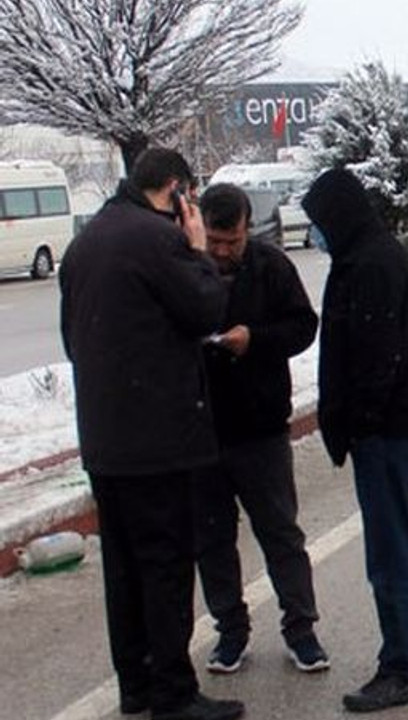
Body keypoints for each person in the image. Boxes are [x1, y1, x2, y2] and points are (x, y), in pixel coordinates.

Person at [59, 149, 243, 720]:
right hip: (158, 438)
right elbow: (208, 307)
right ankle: (173, 692)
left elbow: (74, 339)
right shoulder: (157, 239)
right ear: (173, 191)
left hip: (105, 437)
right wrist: (195, 252)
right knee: (165, 565)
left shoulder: (85, 243)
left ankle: (135, 684)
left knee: (124, 566)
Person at [302, 168, 408, 713]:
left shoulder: (369, 264)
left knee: (392, 553)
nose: (315, 233)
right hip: (406, 424)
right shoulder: (371, 255)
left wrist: (356, 424)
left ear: (338, 215)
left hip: (390, 431)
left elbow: (374, 359)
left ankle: (400, 670)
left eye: (318, 223)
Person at [194, 184, 327, 675]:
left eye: (232, 241)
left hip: (261, 427)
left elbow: (303, 327)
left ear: (248, 229)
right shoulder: (186, 270)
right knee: (211, 540)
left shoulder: (273, 268)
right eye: (215, 241)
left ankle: (301, 628)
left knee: (280, 532)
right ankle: (230, 631)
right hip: (202, 432)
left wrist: (256, 340)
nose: (223, 251)